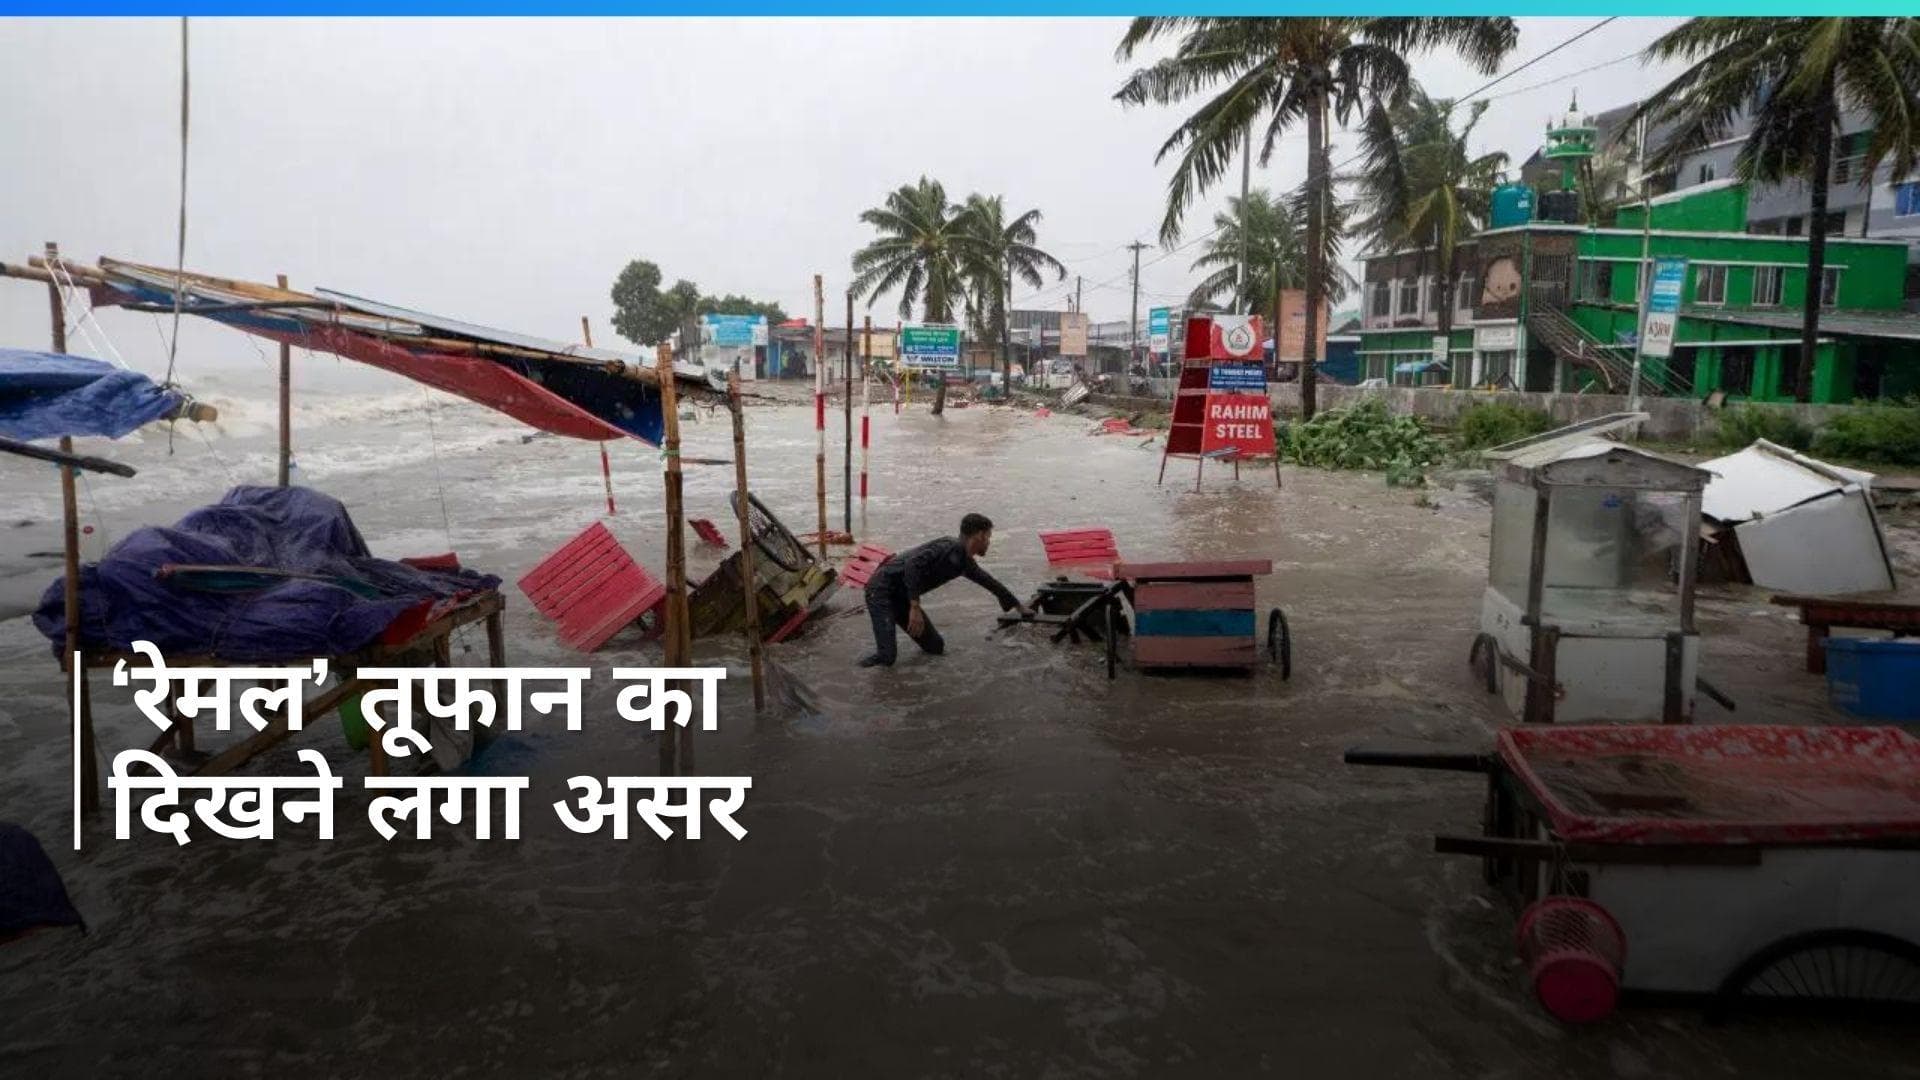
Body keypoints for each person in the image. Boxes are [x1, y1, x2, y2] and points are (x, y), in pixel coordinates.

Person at [858, 513, 1031, 668]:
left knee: (935, 647)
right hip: (880, 590)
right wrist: (915, 607)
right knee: (887, 657)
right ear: (979, 535)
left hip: (902, 597)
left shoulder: (964, 562)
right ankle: (856, 675)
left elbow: (990, 583)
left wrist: (1018, 607)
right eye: (988, 537)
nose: (989, 542)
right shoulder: (947, 547)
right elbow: (912, 565)